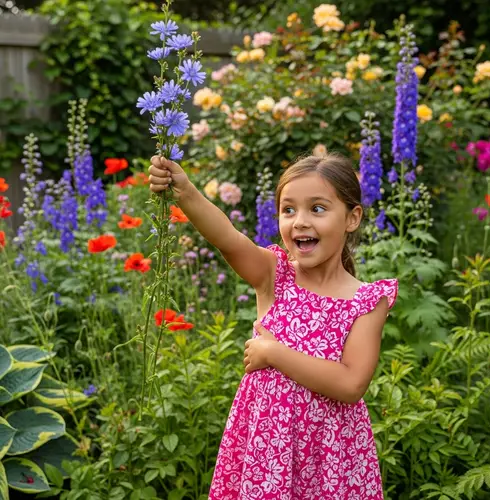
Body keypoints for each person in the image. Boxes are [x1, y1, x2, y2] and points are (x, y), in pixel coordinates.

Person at [148, 151, 398, 499]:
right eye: (289, 209)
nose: (300, 221)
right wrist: (186, 192)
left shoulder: (367, 301)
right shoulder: (273, 273)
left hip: (330, 458)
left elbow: (351, 383)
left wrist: (274, 352)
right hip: (268, 449)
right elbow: (228, 238)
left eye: (318, 208)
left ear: (352, 218)